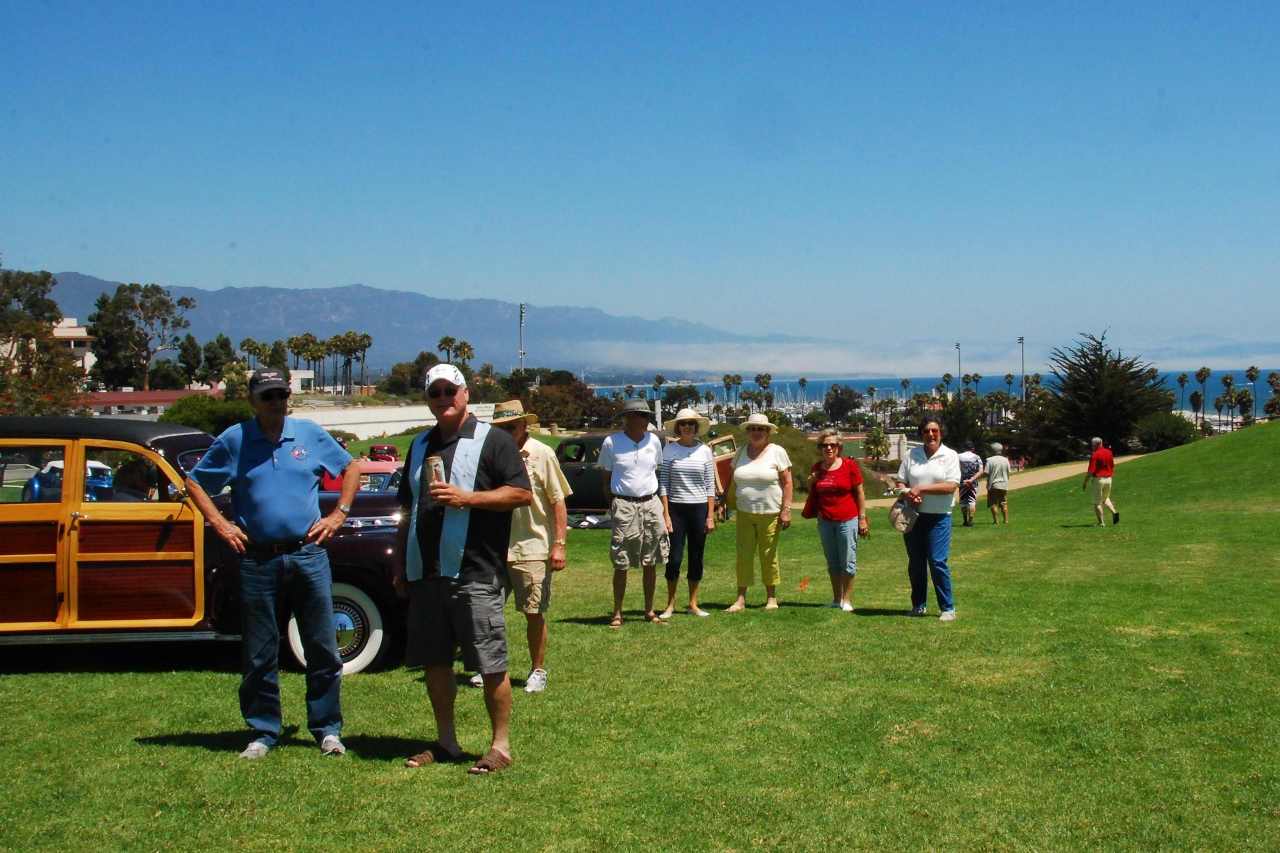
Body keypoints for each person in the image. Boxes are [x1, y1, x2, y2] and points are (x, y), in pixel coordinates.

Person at [185, 367, 359, 759]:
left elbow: (350, 468)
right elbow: (194, 482)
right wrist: (219, 523)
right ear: (252, 401)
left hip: (308, 555)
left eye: (282, 394)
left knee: (322, 646)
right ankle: (263, 730)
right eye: (268, 396)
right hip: (258, 560)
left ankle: (327, 729)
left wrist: (339, 514)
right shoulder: (235, 440)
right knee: (260, 650)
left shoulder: (310, 434)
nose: (277, 402)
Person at [394, 365, 532, 775]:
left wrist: (467, 498)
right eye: (434, 392)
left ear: (465, 393)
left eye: (449, 390)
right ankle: (447, 742)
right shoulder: (419, 445)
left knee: (490, 664)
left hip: (476, 571)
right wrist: (402, 565)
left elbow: (521, 492)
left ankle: (500, 747)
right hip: (426, 573)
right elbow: (406, 508)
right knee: (436, 663)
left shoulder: (493, 440)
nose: (442, 398)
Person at [491, 399, 570, 694]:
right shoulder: (493, 453)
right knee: (489, 612)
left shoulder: (543, 454)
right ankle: (493, 668)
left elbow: (557, 500)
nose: (507, 432)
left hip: (533, 546)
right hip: (496, 548)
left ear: (525, 425)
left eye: (511, 426)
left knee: (533, 611)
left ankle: (537, 670)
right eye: (501, 428)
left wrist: (559, 544)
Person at [599, 399, 669, 627]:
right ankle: (617, 612)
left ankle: (649, 610)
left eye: (647, 415)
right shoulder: (612, 442)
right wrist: (615, 506)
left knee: (652, 559)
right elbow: (606, 480)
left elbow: (655, 471)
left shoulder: (654, 442)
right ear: (629, 419)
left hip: (651, 502)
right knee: (622, 560)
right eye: (642, 415)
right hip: (624, 504)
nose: (646, 419)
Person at [723, 412, 792, 612]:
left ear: (768, 432)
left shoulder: (777, 451)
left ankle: (771, 597)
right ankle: (740, 599)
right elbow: (731, 479)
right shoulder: (741, 451)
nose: (756, 432)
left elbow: (787, 482)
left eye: (760, 428)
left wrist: (786, 509)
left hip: (770, 512)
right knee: (743, 555)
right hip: (744, 512)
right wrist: (724, 502)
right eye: (752, 428)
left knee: (768, 555)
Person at [894, 418, 960, 621]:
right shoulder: (911, 454)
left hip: (939, 517)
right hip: (913, 516)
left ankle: (947, 608)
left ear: (941, 433)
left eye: (934, 431)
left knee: (937, 561)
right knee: (915, 562)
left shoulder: (949, 455)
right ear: (921, 433)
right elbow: (900, 481)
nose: (930, 434)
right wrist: (907, 494)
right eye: (926, 431)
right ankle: (918, 605)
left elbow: (951, 486)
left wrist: (921, 488)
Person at [658, 407, 717, 619]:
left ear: (696, 427)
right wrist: (666, 515)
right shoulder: (669, 450)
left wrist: (710, 516)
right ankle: (670, 603)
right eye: (683, 424)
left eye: (690, 424)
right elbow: (663, 484)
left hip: (699, 508)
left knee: (696, 556)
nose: (687, 427)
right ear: (678, 427)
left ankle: (693, 603)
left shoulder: (704, 451)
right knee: (673, 557)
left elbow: (710, 485)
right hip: (676, 509)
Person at [807, 427, 868, 611]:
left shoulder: (849, 466)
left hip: (847, 518)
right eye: (825, 445)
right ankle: (836, 599)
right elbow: (813, 491)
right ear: (821, 447)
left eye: (833, 445)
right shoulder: (818, 468)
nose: (829, 448)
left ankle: (847, 601)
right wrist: (810, 482)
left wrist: (862, 518)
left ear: (839, 446)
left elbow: (859, 493)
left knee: (848, 560)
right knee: (832, 560)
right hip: (825, 520)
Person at [1082, 437, 1119, 526]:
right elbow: (1112, 465)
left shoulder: (1095, 454)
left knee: (1097, 501)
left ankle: (1101, 522)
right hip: (1109, 478)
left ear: (1095, 444)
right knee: (1105, 498)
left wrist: (1085, 482)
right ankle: (1114, 512)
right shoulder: (1109, 452)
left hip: (1099, 479)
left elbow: (1091, 471)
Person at [956, 440, 984, 527]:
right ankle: (970, 520)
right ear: (973, 448)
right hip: (973, 482)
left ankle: (964, 520)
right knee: (972, 501)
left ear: (964, 448)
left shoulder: (959, 456)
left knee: (963, 501)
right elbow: (981, 471)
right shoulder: (976, 457)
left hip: (962, 481)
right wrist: (972, 479)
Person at [984, 442, 1011, 524]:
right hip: (1003, 483)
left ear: (993, 451)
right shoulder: (1006, 460)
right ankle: (1005, 520)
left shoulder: (989, 460)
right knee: (1004, 503)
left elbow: (986, 472)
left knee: (993, 503)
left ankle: (996, 521)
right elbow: (1008, 471)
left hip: (993, 484)